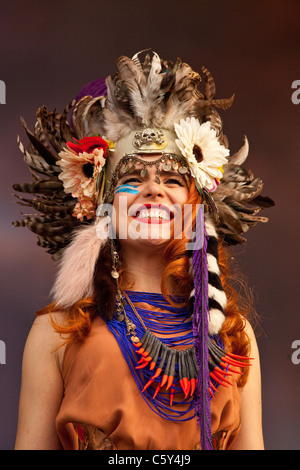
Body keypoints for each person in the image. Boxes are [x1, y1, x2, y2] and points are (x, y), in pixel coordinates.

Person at [13, 50, 273, 450]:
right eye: (132, 177)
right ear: (99, 202)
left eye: (172, 177)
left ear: (196, 203)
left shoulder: (234, 334)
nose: (153, 188)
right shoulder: (57, 333)